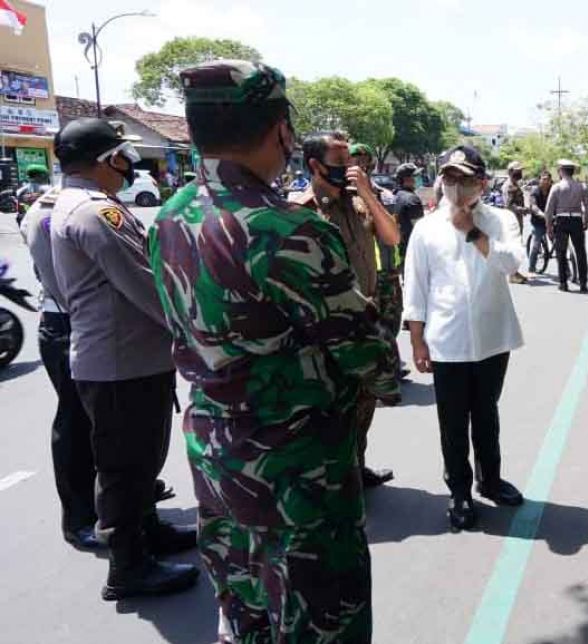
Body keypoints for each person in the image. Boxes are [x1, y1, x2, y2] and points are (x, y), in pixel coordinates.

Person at [149, 61, 398, 642]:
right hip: (297, 475)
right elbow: (368, 357)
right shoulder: (286, 230)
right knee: (321, 623)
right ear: (282, 131)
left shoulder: (170, 214)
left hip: (215, 458)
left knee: (245, 617)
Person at [48, 118, 198, 600]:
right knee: (124, 466)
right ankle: (128, 567)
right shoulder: (95, 212)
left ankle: (147, 534)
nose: (127, 166)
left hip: (123, 356)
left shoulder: (73, 204)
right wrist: (191, 330)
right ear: (104, 159)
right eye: (121, 156)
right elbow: (143, 281)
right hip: (120, 360)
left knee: (139, 459)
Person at [404, 145, 525, 531]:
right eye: (449, 177)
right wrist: (417, 340)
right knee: (453, 421)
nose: (455, 186)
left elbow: (511, 264)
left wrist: (472, 232)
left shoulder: (500, 220)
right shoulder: (425, 228)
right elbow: (416, 287)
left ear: (482, 182)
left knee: (486, 413)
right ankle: (459, 491)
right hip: (447, 340)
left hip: (492, 337)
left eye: (464, 178)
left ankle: (489, 479)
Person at [293, 130, 401, 488]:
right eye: (341, 163)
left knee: (365, 403)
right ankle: (336, 480)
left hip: (365, 320)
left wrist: (367, 192)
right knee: (332, 410)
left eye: (351, 162)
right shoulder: (299, 211)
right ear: (315, 165)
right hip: (327, 328)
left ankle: (358, 465)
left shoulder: (357, 202)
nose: (350, 169)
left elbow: (391, 237)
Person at [20, 186, 101, 551]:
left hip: (93, 323)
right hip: (70, 322)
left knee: (113, 424)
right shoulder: (52, 208)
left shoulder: (93, 203)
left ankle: (128, 507)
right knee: (76, 422)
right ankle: (80, 519)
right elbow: (59, 279)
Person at [545, 159, 588, 292]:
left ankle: (563, 283)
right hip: (576, 220)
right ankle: (583, 283)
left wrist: (548, 226)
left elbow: (549, 209)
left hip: (561, 220)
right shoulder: (582, 186)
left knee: (561, 253)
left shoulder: (557, 187)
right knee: (581, 252)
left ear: (561, 171)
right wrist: (586, 220)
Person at [501, 162, 530, 285]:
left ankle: (514, 272)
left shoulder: (514, 184)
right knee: (514, 247)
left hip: (516, 219)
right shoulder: (509, 186)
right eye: (517, 171)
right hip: (512, 220)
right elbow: (509, 205)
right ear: (511, 171)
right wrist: (522, 209)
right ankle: (512, 274)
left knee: (515, 246)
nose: (520, 173)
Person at [394, 162, 425, 258]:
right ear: (406, 179)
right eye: (416, 176)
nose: (419, 178)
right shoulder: (412, 199)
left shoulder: (396, 194)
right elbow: (420, 229)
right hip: (414, 250)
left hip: (402, 248)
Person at [527, 170, 553, 273]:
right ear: (539, 180)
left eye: (548, 179)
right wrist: (541, 214)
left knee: (560, 244)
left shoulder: (553, 190)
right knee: (536, 244)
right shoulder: (535, 192)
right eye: (544, 179)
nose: (546, 181)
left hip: (551, 220)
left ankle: (567, 269)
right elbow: (533, 206)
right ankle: (532, 266)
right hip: (538, 221)